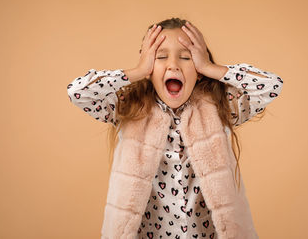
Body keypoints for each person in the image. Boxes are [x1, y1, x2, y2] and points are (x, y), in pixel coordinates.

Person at [67, 17, 284, 239]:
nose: (173, 65)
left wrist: (210, 67)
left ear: (198, 70)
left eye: (186, 57)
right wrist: (138, 70)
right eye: (160, 57)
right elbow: (78, 92)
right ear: (150, 68)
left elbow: (271, 86)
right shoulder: (129, 106)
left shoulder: (219, 107)